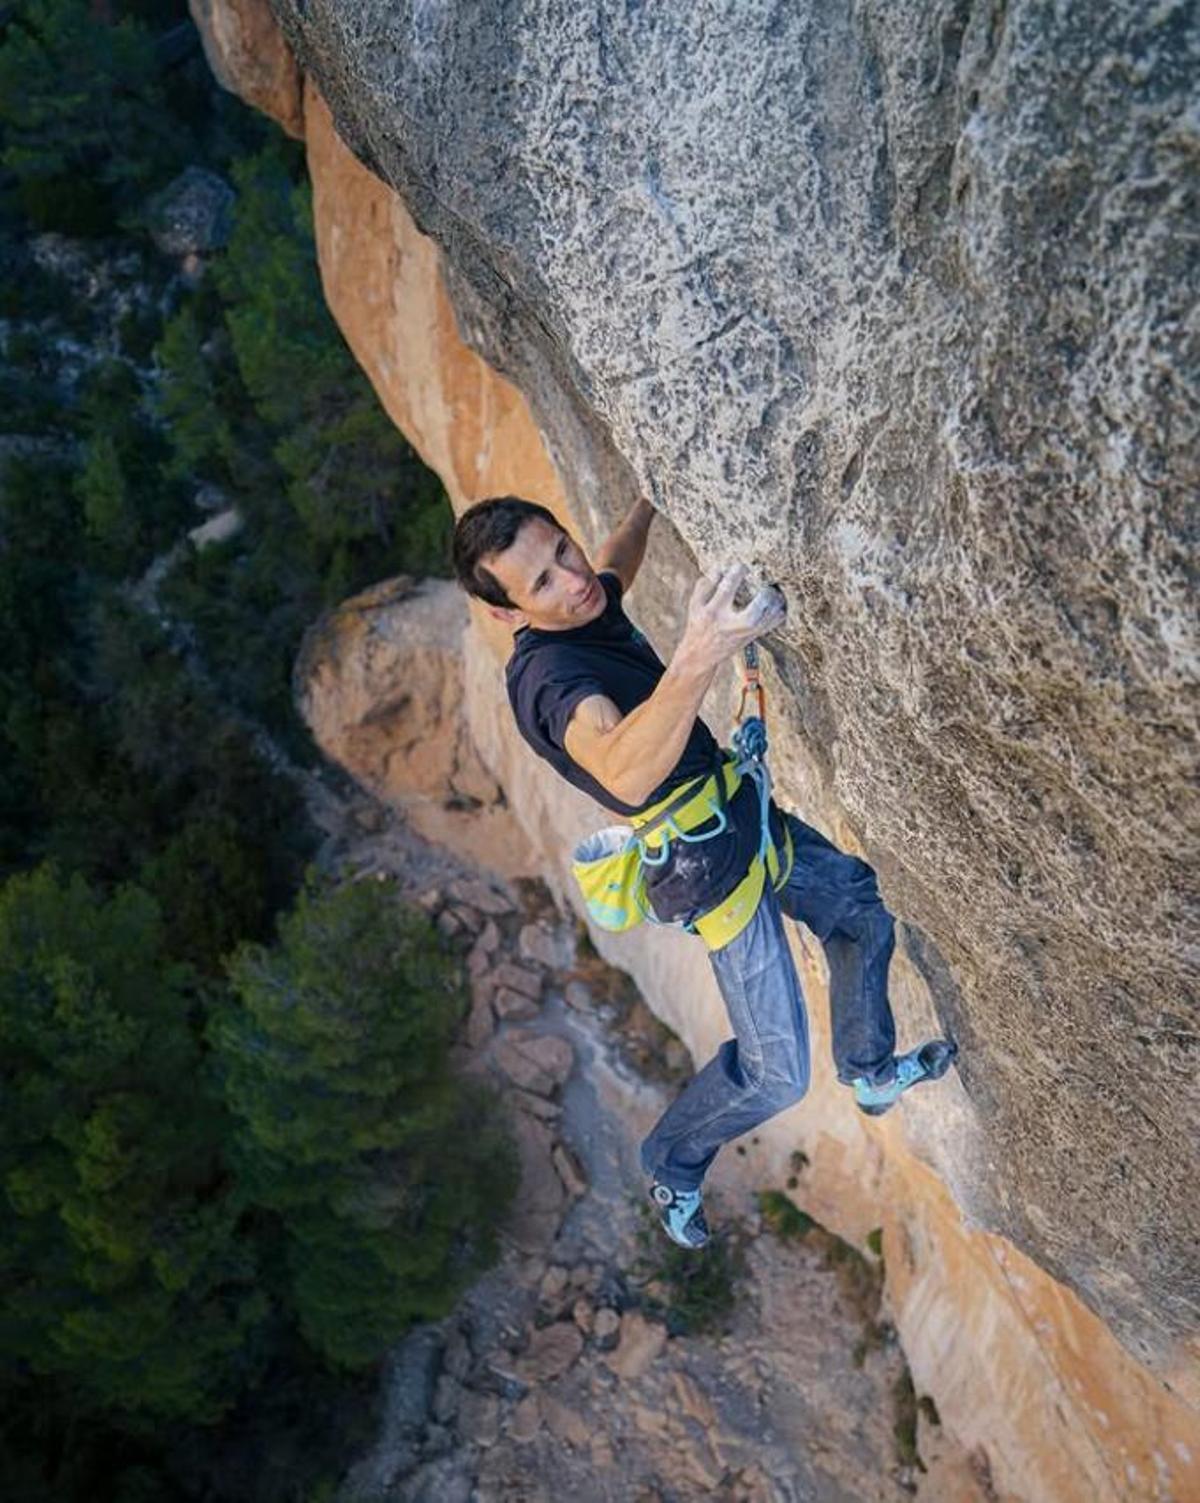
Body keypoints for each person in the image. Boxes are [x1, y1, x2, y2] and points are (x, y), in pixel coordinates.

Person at [452, 494, 955, 1249]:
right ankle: (672, 1158)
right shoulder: (550, 682)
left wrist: (649, 502)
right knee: (776, 1074)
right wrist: (700, 648)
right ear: (509, 615)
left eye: (562, 549)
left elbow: (613, 564)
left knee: (856, 905)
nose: (571, 579)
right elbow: (620, 767)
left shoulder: (583, 598)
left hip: (737, 815)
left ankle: (869, 1067)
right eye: (542, 584)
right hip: (706, 867)